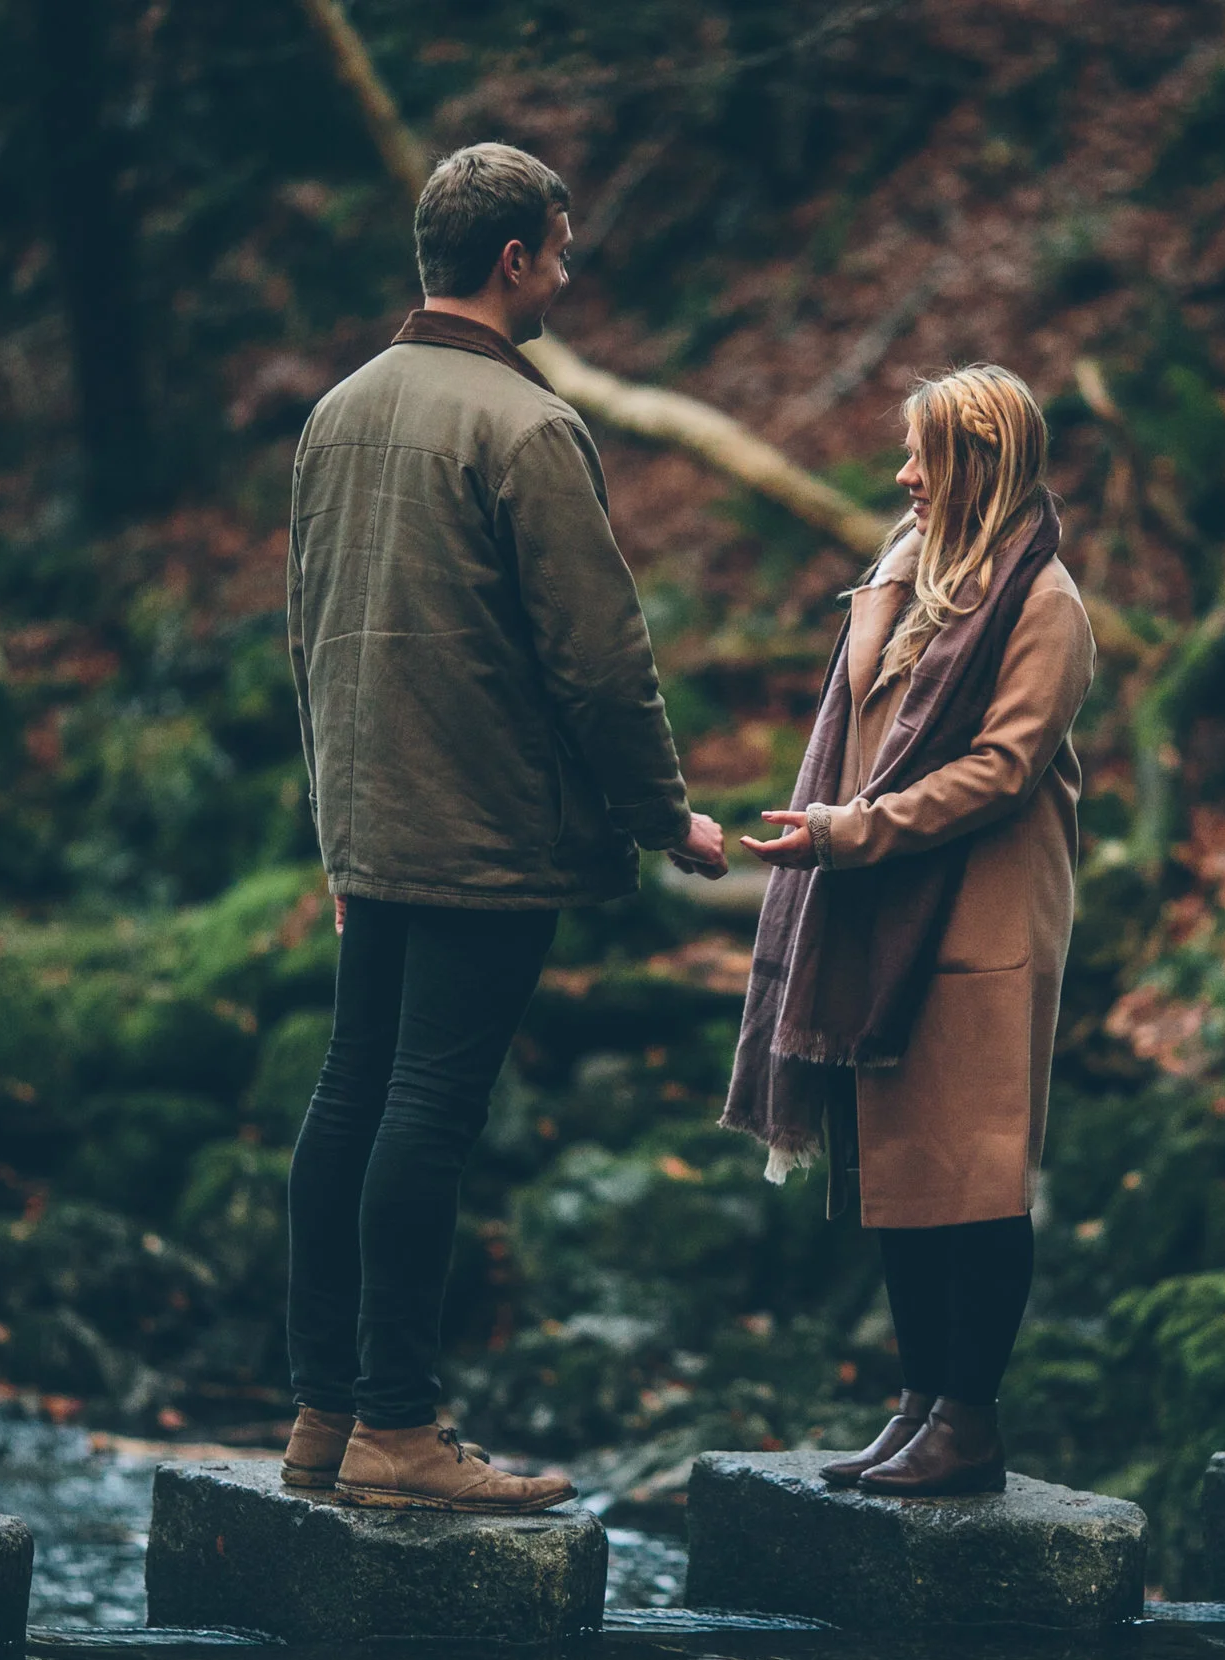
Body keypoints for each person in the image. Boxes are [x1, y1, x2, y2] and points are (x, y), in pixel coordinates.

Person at [281, 142, 728, 1512]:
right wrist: (668, 819)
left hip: (375, 821)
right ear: (514, 259)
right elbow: (600, 659)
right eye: (561, 246)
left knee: (350, 1097)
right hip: (482, 832)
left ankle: (324, 1414)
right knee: (426, 1106)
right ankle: (401, 1429)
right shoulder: (526, 429)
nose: (570, 272)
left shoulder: (335, 414)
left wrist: (336, 834)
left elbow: (309, 640)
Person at [723, 364, 1095, 1496]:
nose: (900, 478)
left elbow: (999, 769)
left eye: (922, 457)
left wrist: (851, 829)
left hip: (980, 907)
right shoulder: (908, 576)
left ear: (978, 466)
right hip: (884, 897)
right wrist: (838, 833)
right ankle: (918, 1400)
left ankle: (968, 1421)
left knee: (973, 1170)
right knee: (899, 1162)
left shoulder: (1046, 607)